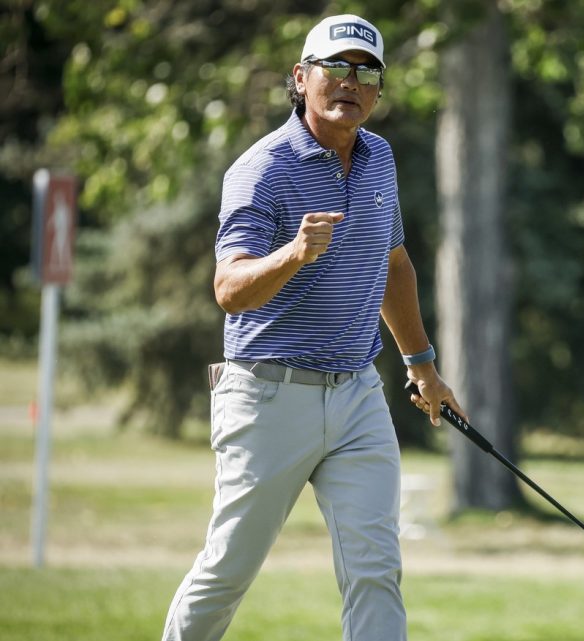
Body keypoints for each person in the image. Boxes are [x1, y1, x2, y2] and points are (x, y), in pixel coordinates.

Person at [162, 14, 464, 641]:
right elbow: (228, 290)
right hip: (269, 396)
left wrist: (423, 367)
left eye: (366, 72)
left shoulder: (379, 158)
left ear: (378, 92)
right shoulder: (263, 167)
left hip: (357, 395)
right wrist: (294, 254)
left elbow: (394, 263)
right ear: (301, 78)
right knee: (229, 569)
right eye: (335, 67)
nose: (350, 81)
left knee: (376, 570)